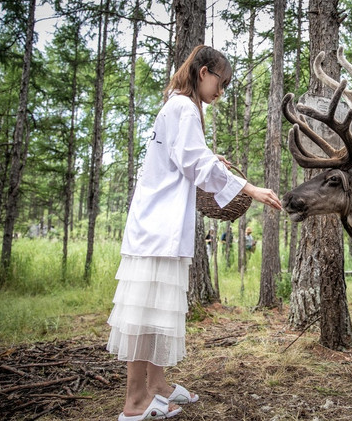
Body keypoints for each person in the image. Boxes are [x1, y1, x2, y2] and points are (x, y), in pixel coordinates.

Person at [107, 45, 282, 421]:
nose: (222, 91)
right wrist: (249, 188)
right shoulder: (184, 107)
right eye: (222, 82)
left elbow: (184, 157)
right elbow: (193, 161)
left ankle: (157, 386)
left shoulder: (176, 106)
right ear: (204, 73)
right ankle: (134, 403)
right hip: (157, 229)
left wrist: (209, 159)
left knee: (159, 311)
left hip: (159, 227)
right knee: (144, 313)